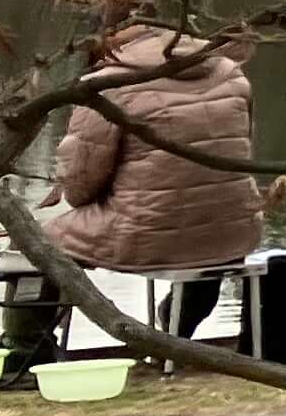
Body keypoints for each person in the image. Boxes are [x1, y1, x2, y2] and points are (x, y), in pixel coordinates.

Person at [38, 25, 263, 341]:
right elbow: (241, 149)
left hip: (144, 232)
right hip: (233, 229)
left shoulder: (108, 85)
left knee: (39, 242)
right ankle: (177, 330)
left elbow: (80, 183)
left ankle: (30, 347)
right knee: (213, 235)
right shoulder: (230, 72)